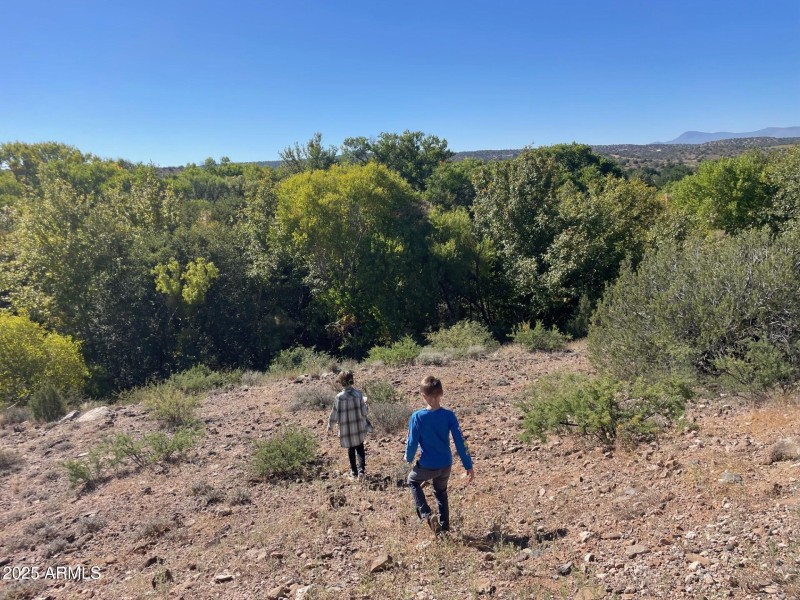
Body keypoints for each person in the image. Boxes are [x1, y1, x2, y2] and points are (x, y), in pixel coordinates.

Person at [405, 375, 475, 534]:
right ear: (441, 393)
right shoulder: (449, 415)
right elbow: (460, 441)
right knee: (441, 494)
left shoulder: (417, 417)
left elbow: (412, 442)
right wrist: (468, 465)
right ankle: (444, 529)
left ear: (423, 396)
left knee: (412, 480)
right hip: (446, 464)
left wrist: (408, 458)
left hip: (427, 464)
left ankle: (426, 514)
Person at [327, 370, 369, 479]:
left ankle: (354, 471)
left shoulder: (339, 397)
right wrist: (366, 405)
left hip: (346, 429)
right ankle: (361, 470)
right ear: (352, 380)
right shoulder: (358, 394)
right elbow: (364, 412)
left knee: (350, 449)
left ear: (341, 382)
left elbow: (334, 413)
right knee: (360, 447)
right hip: (358, 427)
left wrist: (330, 426)